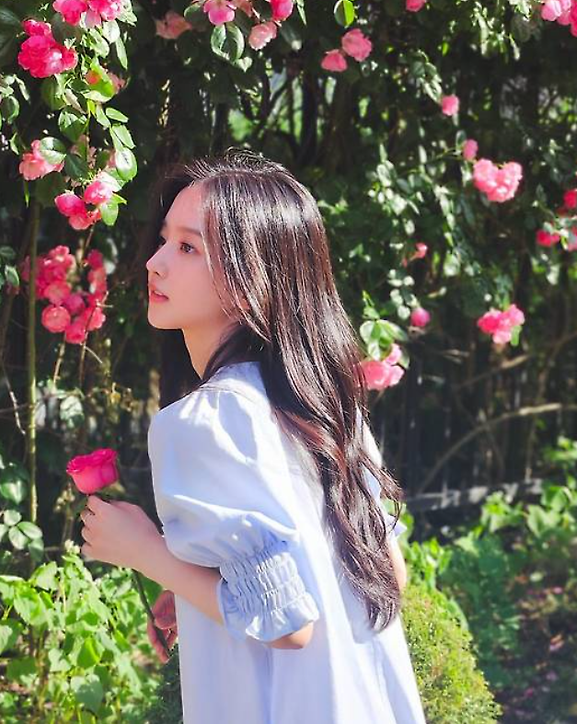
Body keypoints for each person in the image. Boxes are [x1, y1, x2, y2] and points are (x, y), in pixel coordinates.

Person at [79, 148, 426, 723]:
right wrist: (200, 585)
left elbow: (288, 624)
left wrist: (144, 552)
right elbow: (390, 572)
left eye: (188, 248)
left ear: (250, 280)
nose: (155, 263)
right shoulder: (325, 405)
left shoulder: (202, 422)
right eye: (164, 240)